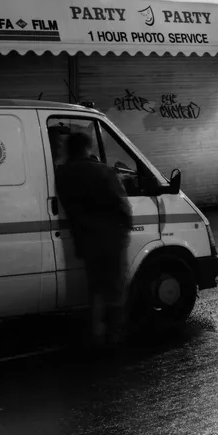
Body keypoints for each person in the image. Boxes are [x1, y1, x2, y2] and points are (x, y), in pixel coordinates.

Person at [56, 131, 133, 348]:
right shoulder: (102, 171)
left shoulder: (62, 175)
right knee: (116, 287)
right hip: (111, 237)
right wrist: (126, 227)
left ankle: (96, 331)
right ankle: (115, 333)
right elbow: (121, 204)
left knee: (96, 288)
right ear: (87, 148)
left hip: (85, 239)